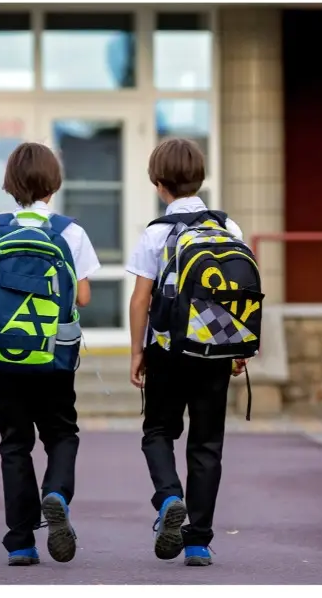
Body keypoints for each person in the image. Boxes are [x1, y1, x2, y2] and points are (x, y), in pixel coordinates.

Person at [0, 142, 101, 566]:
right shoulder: (69, 231)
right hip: (52, 353)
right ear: (53, 185)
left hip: (3, 354)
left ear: (10, 185)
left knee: (14, 443)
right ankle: (55, 492)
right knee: (61, 433)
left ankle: (21, 540)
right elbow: (85, 295)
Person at [126, 138, 250, 567]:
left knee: (158, 431)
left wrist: (136, 352)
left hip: (166, 349)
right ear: (201, 179)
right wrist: (238, 348)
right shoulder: (229, 229)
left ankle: (168, 499)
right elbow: (240, 294)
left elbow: (141, 298)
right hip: (215, 349)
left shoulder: (157, 233)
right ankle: (198, 541)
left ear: (159, 184)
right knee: (207, 443)